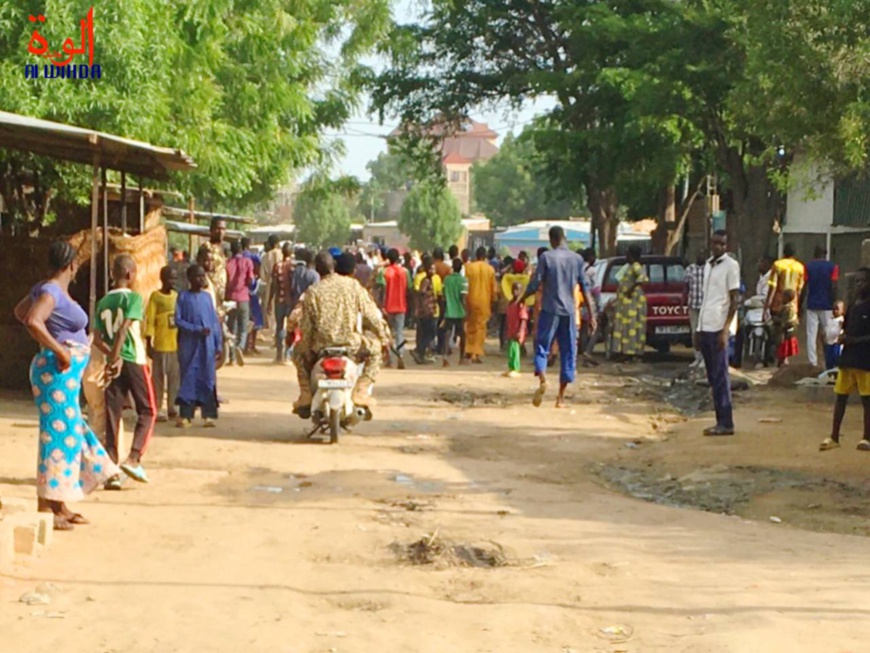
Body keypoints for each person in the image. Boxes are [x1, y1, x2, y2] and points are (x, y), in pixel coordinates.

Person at [14, 241, 119, 530]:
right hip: (55, 374)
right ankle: (46, 504)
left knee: (69, 433)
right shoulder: (50, 291)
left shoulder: (47, 289)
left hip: (63, 377)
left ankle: (59, 501)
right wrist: (59, 349)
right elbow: (33, 320)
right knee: (56, 436)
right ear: (72, 265)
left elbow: (20, 311)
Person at [292, 251, 391, 415]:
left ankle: (306, 394)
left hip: (321, 346)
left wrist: (304, 348)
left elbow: (307, 327)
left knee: (297, 354)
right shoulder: (353, 286)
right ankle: (361, 390)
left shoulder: (313, 291)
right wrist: (384, 338)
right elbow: (372, 316)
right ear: (334, 267)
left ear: (317, 270)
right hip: (351, 345)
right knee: (375, 351)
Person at [93, 254, 156, 488]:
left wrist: (110, 358)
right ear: (130, 275)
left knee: (113, 414)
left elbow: (96, 337)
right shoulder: (134, 299)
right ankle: (134, 458)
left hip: (113, 361)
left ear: (113, 274)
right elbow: (123, 330)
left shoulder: (103, 303)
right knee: (148, 410)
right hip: (132, 359)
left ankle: (111, 471)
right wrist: (117, 357)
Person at [523, 227, 596, 408]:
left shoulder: (546, 258)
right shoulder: (577, 259)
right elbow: (585, 289)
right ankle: (560, 398)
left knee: (542, 345)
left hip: (549, 309)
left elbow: (535, 283)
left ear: (552, 240)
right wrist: (592, 315)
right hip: (569, 312)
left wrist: (521, 298)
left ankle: (542, 379)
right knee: (568, 351)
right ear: (564, 238)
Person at [819, 268, 870, 452]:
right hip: (848, 359)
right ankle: (834, 436)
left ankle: (866, 438)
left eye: (863, 281)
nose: (859, 285)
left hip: (865, 361)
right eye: (857, 281)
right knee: (840, 397)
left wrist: (854, 340)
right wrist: (843, 338)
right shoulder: (854, 306)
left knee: (867, 401)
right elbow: (847, 329)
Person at [695, 230, 740, 436]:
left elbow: (734, 300)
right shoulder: (707, 266)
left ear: (726, 245)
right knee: (713, 376)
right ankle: (719, 420)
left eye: (721, 243)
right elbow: (705, 300)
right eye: (714, 243)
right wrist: (697, 329)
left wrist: (725, 330)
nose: (717, 247)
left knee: (721, 376)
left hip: (719, 328)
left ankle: (726, 422)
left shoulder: (731, 266)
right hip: (705, 326)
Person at [175, 265, 223, 427]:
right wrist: (196, 330)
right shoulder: (183, 297)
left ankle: (208, 415)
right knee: (188, 378)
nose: (201, 279)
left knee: (207, 378)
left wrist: (218, 344)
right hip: (189, 345)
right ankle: (186, 415)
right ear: (189, 279)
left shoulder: (207, 298)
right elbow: (178, 320)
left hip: (206, 346)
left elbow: (214, 322)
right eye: (198, 277)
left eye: (203, 276)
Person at [145, 266, 180, 423]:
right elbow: (150, 319)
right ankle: (158, 408)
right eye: (170, 278)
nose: (173, 281)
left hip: (174, 344)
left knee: (174, 378)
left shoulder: (177, 296)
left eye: (175, 278)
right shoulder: (156, 297)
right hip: (160, 343)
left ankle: (172, 406)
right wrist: (148, 341)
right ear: (163, 279)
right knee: (158, 380)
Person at [610, 245, 648, 362]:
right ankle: (625, 351)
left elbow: (643, 278)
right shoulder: (629, 267)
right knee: (625, 327)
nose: (626, 257)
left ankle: (632, 352)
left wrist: (631, 288)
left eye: (627, 254)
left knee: (631, 327)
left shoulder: (636, 266)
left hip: (633, 303)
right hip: (625, 304)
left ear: (632, 255)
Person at [804, 245, 839, 368]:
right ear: (826, 254)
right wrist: (835, 302)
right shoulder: (832, 267)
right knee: (829, 334)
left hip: (812, 303)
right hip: (827, 305)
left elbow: (805, 286)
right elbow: (834, 285)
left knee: (811, 335)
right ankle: (830, 362)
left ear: (815, 253)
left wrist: (800, 303)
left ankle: (812, 362)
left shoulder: (808, 266)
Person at [377, 248, 412, 369]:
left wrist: (380, 306)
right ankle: (400, 355)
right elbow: (409, 289)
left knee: (388, 334)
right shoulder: (405, 272)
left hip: (387, 307)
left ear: (388, 258)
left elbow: (381, 291)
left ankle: (389, 359)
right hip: (401, 306)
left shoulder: (384, 272)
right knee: (399, 332)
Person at [223, 240, 255, 366]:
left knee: (231, 328)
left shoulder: (227, 263)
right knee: (243, 327)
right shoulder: (247, 262)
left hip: (230, 298)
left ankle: (231, 357)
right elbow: (251, 280)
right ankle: (240, 347)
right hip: (243, 297)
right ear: (241, 249)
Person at [464, 247, 498, 363]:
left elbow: (465, 285)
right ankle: (476, 353)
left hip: (471, 299)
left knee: (470, 325)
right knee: (481, 327)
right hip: (484, 301)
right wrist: (494, 301)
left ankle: (468, 349)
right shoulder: (490, 269)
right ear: (485, 256)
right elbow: (494, 289)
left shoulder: (469, 268)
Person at [412, 254, 442, 364]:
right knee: (429, 333)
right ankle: (419, 351)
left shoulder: (429, 279)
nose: (433, 271)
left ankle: (421, 354)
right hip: (428, 312)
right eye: (431, 269)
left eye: (434, 268)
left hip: (430, 310)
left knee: (428, 333)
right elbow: (422, 295)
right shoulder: (426, 281)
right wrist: (425, 308)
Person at [440, 258, 469, 366]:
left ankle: (445, 357)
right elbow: (463, 298)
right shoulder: (463, 281)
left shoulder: (446, 279)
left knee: (447, 334)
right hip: (460, 311)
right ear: (461, 268)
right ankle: (462, 358)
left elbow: (443, 296)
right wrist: (466, 311)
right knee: (462, 335)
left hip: (449, 311)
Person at [270, 243, 295, 363]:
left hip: (279, 300)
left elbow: (274, 284)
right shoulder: (293, 266)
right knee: (291, 328)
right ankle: (288, 355)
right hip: (291, 301)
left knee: (279, 327)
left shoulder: (277, 266)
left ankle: (279, 355)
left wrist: (269, 300)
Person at [685, 250, 706, 368]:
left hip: (705, 305)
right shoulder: (690, 269)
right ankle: (697, 357)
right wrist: (683, 300)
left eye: (703, 255)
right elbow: (686, 286)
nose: (701, 257)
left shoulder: (708, 269)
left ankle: (704, 358)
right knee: (694, 332)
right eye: (699, 255)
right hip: (693, 304)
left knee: (704, 332)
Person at [579, 248, 600, 366]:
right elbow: (596, 290)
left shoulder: (579, 268)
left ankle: (583, 355)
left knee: (583, 330)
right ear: (591, 257)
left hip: (580, 304)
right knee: (595, 329)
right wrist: (599, 305)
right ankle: (588, 352)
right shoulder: (592, 270)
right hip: (590, 304)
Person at [503, 282, 529, 378]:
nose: (515, 291)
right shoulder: (510, 303)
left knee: (515, 349)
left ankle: (516, 368)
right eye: (513, 289)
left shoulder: (520, 304)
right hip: (511, 329)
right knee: (511, 350)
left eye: (517, 290)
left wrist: (520, 331)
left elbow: (523, 318)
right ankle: (511, 367)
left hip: (518, 330)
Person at [260, 235, 283, 329]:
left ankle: (270, 331)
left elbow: (262, 275)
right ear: (277, 243)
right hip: (282, 284)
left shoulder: (265, 256)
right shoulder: (282, 254)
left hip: (270, 285)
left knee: (269, 309)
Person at [205, 217, 228, 304]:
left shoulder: (224, 249)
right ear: (211, 230)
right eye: (217, 229)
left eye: (223, 229)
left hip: (221, 296)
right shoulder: (207, 247)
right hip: (210, 295)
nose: (220, 232)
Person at [774, 288, 799, 367]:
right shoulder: (790, 306)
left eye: (783, 297)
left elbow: (785, 320)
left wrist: (776, 319)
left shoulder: (788, 308)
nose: (781, 298)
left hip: (786, 331)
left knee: (784, 347)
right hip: (788, 330)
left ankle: (783, 362)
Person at [824, 300, 845, 370]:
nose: (835, 311)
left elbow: (843, 329)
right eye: (834, 309)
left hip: (836, 343)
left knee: (836, 357)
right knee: (828, 358)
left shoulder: (841, 320)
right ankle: (828, 370)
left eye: (837, 309)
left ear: (842, 311)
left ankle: (836, 370)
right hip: (828, 342)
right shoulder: (830, 319)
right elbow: (827, 328)